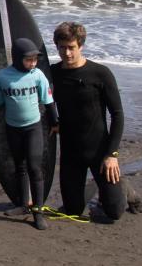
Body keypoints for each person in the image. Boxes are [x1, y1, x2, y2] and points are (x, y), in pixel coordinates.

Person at [51, 22, 127, 221]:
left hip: (100, 152)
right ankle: (94, 187)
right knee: (72, 211)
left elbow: (117, 114)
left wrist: (112, 154)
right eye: (62, 47)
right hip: (70, 152)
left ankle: (126, 189)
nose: (66, 53)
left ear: (81, 45)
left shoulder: (100, 73)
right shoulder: (52, 73)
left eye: (71, 47)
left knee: (114, 212)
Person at [0, 38, 58, 230]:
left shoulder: (38, 75)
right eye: (28, 59)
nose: (32, 63)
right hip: (12, 128)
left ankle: (38, 211)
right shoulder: (2, 77)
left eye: (34, 60)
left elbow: (48, 101)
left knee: (34, 167)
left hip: (33, 128)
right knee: (20, 166)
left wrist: (55, 122)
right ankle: (24, 205)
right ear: (17, 58)